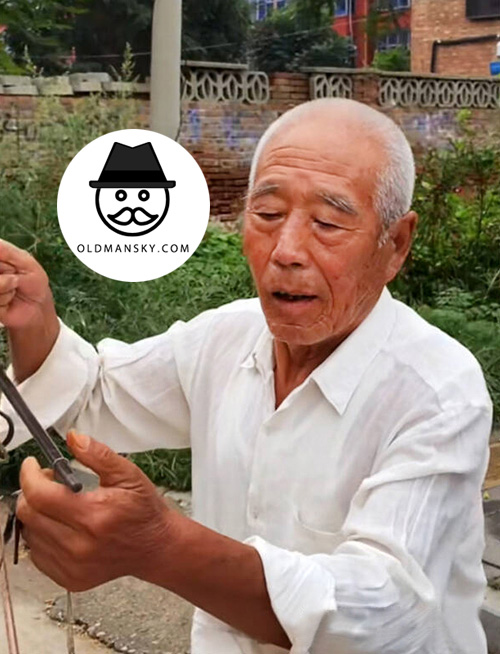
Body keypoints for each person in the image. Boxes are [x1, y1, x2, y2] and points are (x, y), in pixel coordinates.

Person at [0, 98, 492, 654]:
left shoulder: (438, 390)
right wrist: (33, 315)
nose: (285, 251)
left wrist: (160, 546)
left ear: (394, 244)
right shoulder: (225, 338)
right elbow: (93, 395)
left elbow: (384, 608)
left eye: (328, 223)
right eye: (267, 215)